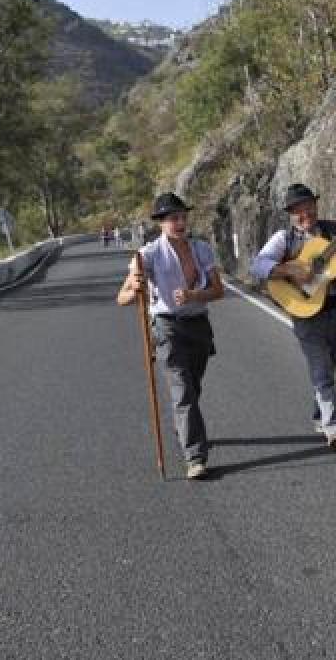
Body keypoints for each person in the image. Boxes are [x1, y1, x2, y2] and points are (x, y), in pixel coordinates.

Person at [250, 183, 336, 451]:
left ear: (315, 206)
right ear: (290, 214)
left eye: (308, 207)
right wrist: (292, 271)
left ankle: (319, 415)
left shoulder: (334, 231)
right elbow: (258, 265)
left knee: (327, 368)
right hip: (305, 313)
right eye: (298, 210)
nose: (305, 214)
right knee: (321, 369)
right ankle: (334, 429)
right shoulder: (284, 238)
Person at [117, 193, 224, 480]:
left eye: (182, 217)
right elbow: (122, 297)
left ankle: (183, 428)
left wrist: (194, 295)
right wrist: (135, 287)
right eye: (173, 218)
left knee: (193, 387)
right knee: (182, 391)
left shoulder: (202, 249)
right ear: (161, 223)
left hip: (198, 325)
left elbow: (218, 291)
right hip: (167, 327)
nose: (180, 222)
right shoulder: (148, 255)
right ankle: (195, 457)